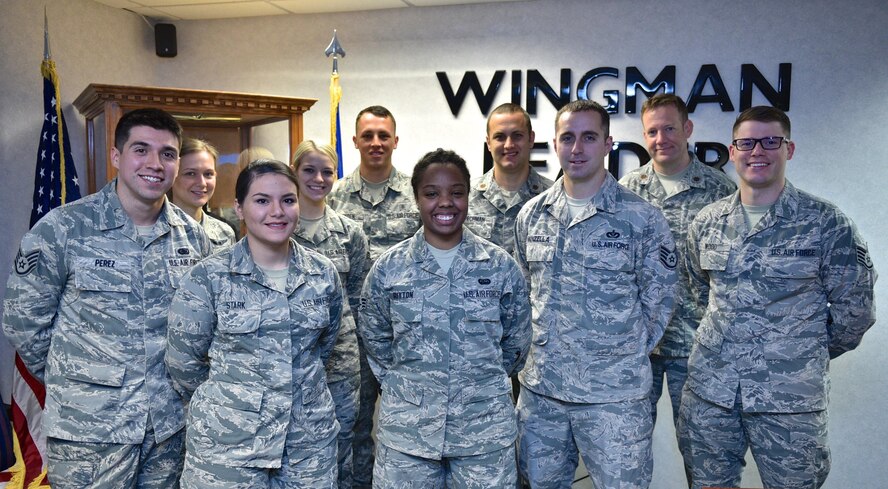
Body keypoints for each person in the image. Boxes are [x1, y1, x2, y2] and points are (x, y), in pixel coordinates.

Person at [3, 108, 211, 488]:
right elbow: (23, 320)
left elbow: (199, 330)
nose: (154, 163)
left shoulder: (193, 237)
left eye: (167, 153)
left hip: (167, 430)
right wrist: (78, 380)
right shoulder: (63, 228)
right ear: (116, 157)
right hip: (90, 432)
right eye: (141, 150)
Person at [680, 106, 877, 489]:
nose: (758, 151)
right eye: (747, 142)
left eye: (771, 141)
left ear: (789, 149)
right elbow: (696, 292)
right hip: (712, 393)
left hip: (790, 401)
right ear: (732, 151)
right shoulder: (707, 222)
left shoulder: (825, 223)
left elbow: (856, 309)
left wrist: (799, 350)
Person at [514, 100, 678, 489]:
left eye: (589, 137)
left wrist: (614, 355)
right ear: (554, 144)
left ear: (608, 144)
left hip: (614, 400)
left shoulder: (641, 218)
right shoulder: (532, 215)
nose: (577, 149)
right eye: (568, 138)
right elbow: (524, 297)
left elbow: (660, 301)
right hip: (542, 396)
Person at [166, 159, 343, 488]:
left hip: (306, 444)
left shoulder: (323, 273)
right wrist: (235, 401)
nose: (277, 211)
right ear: (240, 208)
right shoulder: (208, 278)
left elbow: (326, 347)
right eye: (262, 200)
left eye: (288, 200)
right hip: (228, 447)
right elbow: (183, 363)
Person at [359, 148, 531, 488]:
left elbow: (516, 343)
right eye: (431, 193)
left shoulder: (499, 267)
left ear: (468, 196)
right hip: (409, 435)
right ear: (417, 199)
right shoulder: (389, 270)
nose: (445, 203)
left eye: (456, 192)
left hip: (483, 435)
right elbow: (375, 339)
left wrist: (475, 384)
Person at [618, 93, 736, 480]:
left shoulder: (720, 191)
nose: (660, 138)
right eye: (651, 131)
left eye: (669, 128)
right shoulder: (624, 192)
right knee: (624, 454)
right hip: (638, 348)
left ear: (687, 129)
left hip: (698, 347)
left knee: (706, 458)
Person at [328, 105, 421, 488]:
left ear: (396, 141)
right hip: (351, 337)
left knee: (411, 427)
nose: (376, 143)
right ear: (354, 142)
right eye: (368, 136)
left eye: (383, 135)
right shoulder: (333, 197)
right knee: (354, 426)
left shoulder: (418, 193)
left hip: (408, 334)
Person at [291, 140, 368, 488]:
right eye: (309, 170)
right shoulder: (277, 226)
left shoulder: (350, 233)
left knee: (341, 448)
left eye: (327, 171)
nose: (319, 178)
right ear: (294, 171)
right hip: (289, 360)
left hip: (341, 362)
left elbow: (360, 301)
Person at [466, 102, 553, 255]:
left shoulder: (552, 198)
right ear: (489, 143)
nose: (508, 145)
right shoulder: (465, 196)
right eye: (499, 137)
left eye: (517, 135)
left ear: (531, 139)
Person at [171, 137, 237, 250]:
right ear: (172, 176)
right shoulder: (151, 229)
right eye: (190, 174)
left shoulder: (225, 233)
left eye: (208, 174)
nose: (202, 183)